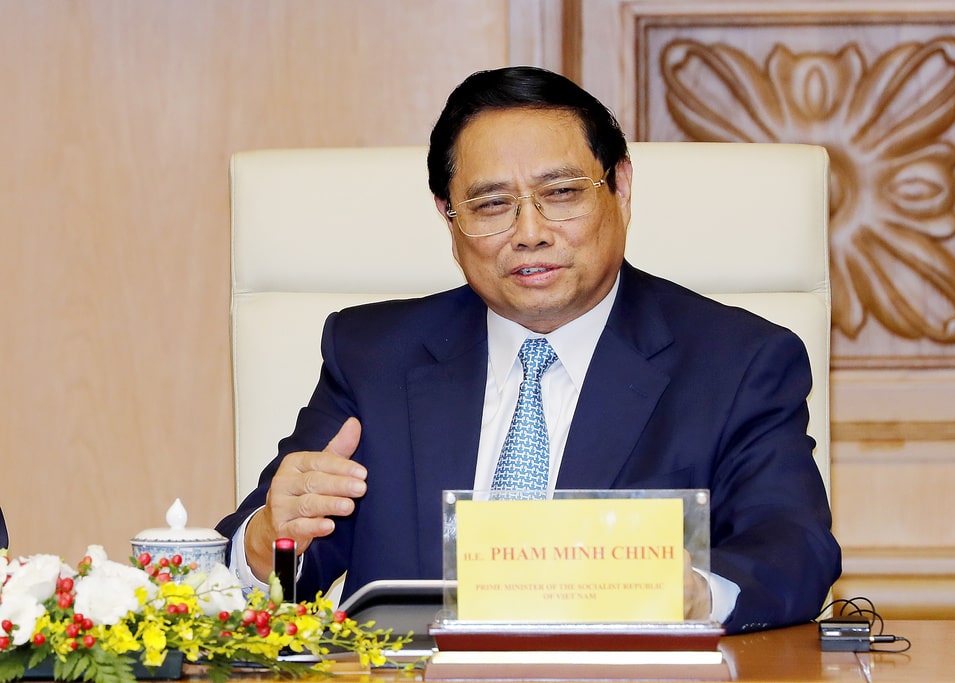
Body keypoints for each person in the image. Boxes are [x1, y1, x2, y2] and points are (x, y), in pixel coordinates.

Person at [217, 66, 841, 634]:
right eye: (491, 205)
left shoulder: (739, 362)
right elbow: (265, 559)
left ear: (620, 188)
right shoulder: (374, 356)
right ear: (448, 217)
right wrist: (268, 538)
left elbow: (793, 549)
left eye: (562, 193)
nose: (530, 232)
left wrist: (692, 594)